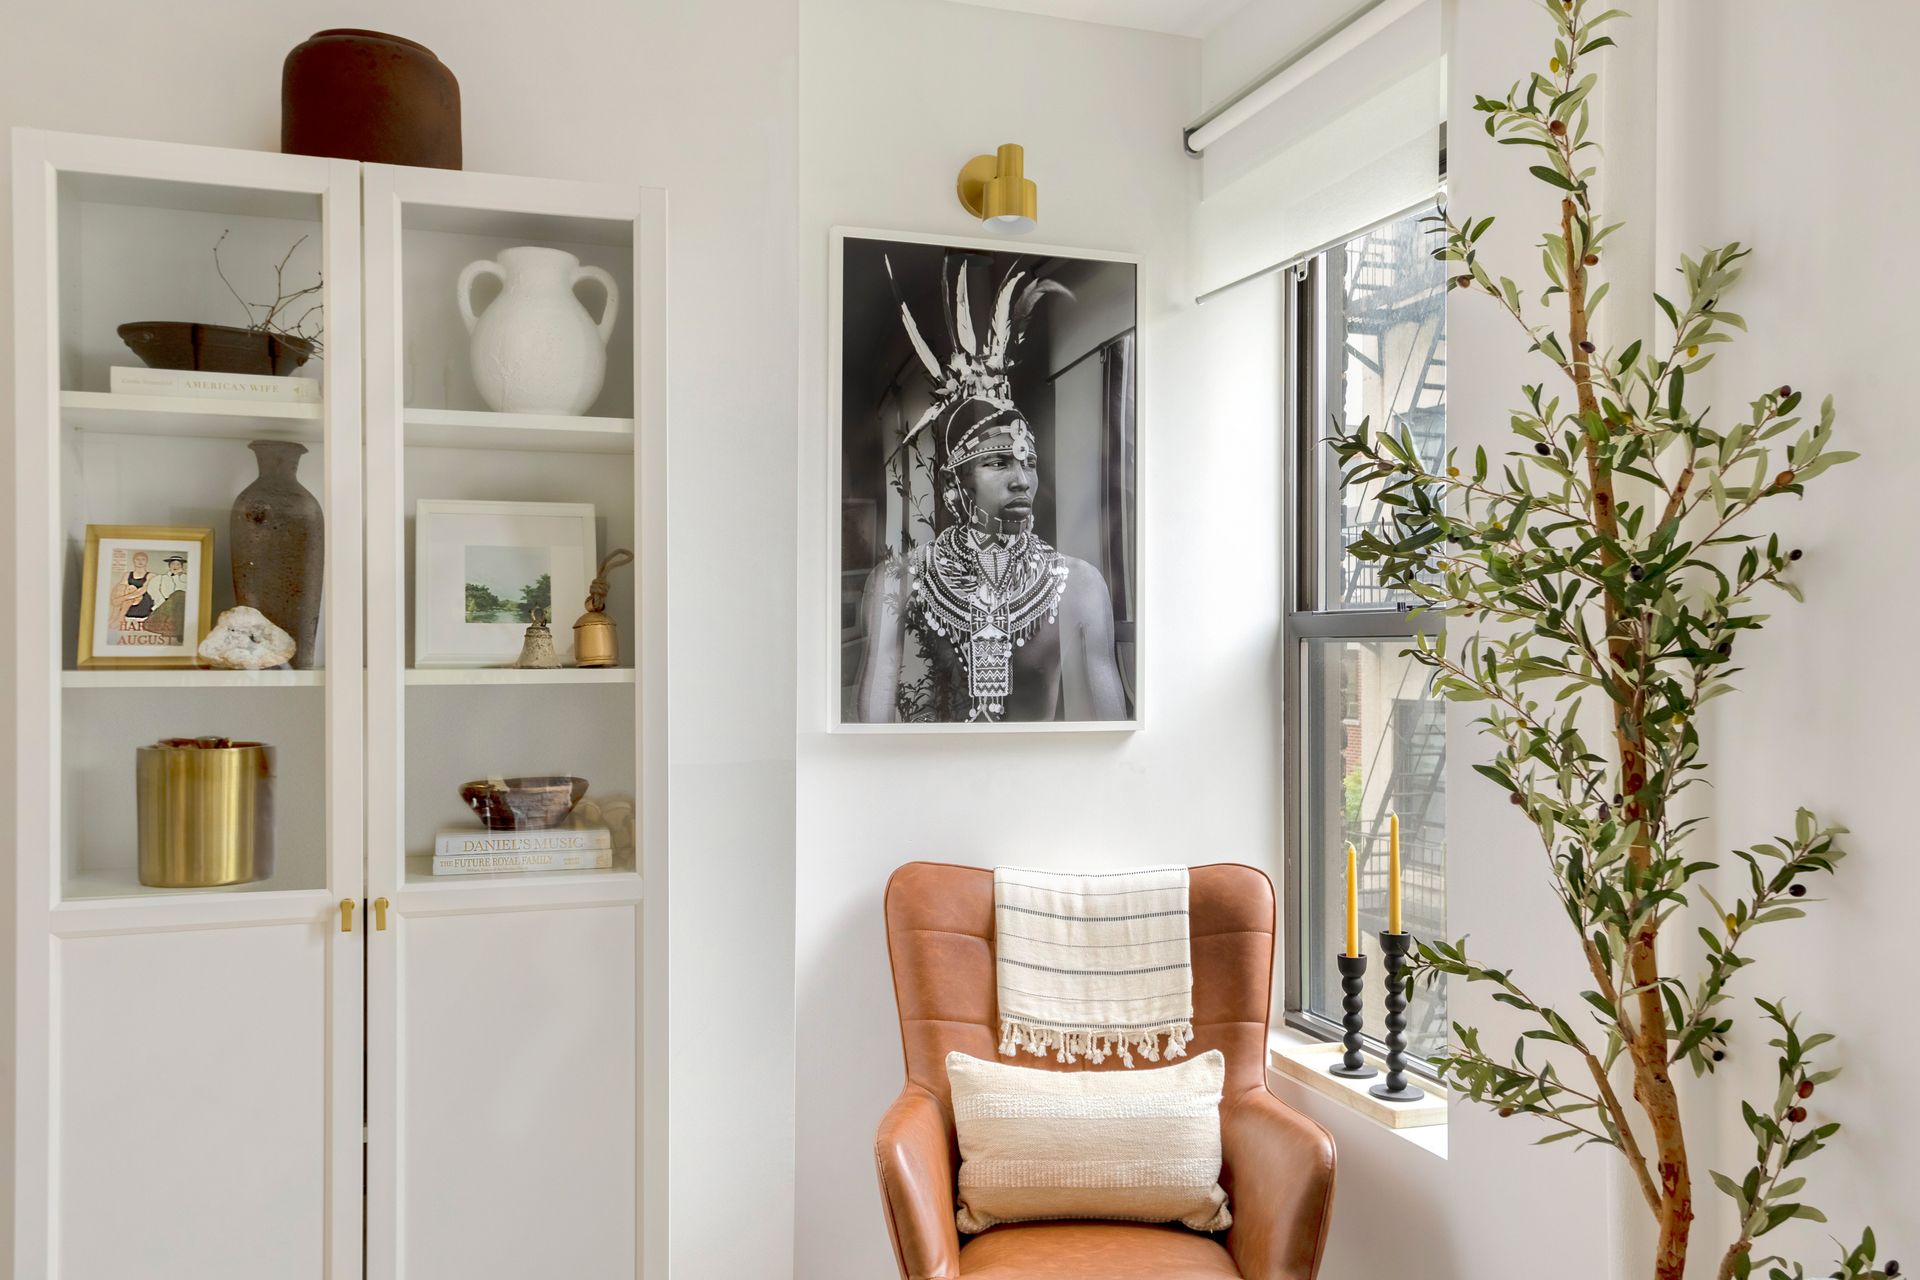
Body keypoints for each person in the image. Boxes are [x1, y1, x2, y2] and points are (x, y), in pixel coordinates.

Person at [853, 258, 1127, 724]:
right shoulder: (898, 583)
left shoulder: (1078, 586)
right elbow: (871, 729)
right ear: (954, 483)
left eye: (1029, 462)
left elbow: (1112, 730)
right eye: (998, 462)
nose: (1022, 479)